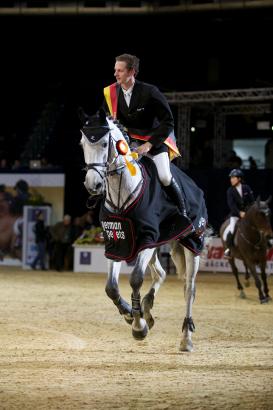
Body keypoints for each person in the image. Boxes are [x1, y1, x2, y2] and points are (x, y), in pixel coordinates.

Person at [102, 53, 191, 223]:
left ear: (131, 72)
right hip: (128, 142)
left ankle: (183, 214)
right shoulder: (111, 93)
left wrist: (149, 145)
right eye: (115, 70)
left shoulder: (150, 92)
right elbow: (108, 119)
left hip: (154, 141)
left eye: (120, 71)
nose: (115, 74)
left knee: (164, 176)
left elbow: (168, 122)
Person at [223, 168, 255, 258]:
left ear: (239, 178)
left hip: (247, 215)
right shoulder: (230, 190)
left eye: (233, 178)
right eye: (231, 178)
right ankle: (229, 249)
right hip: (235, 215)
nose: (231, 180)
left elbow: (252, 201)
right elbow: (231, 205)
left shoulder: (246, 188)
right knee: (232, 229)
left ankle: (265, 243)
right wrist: (239, 213)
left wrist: (247, 212)